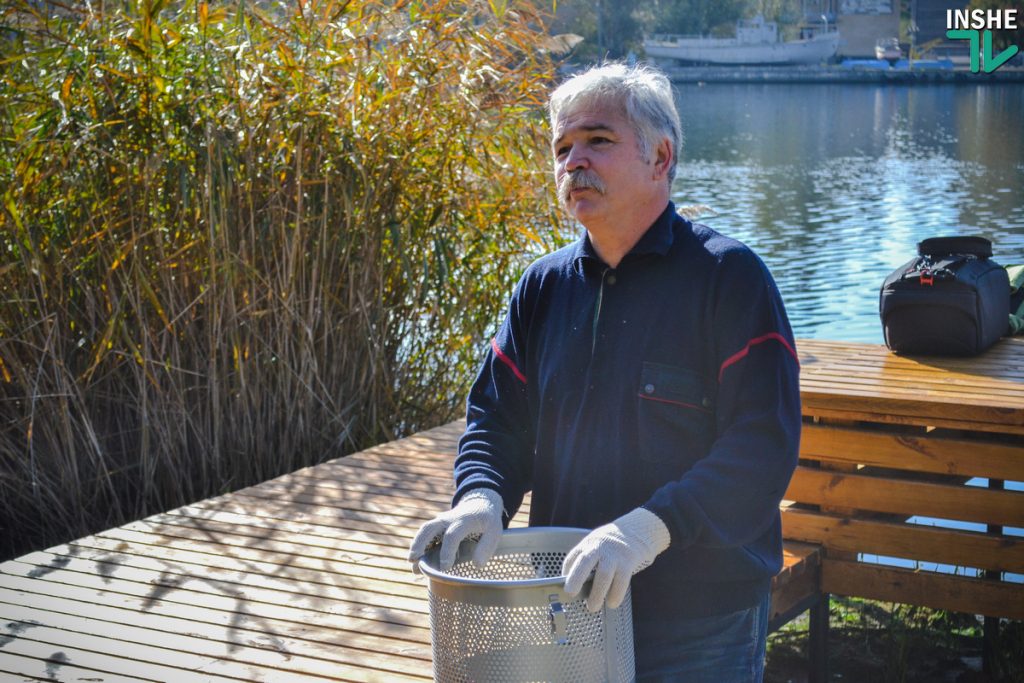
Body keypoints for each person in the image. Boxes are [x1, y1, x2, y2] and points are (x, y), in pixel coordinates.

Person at [409, 62, 801, 682]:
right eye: (562, 147)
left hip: (699, 620)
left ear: (661, 155)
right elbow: (496, 421)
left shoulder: (731, 279)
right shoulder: (540, 286)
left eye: (598, 140)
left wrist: (648, 531)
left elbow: (762, 446)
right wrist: (481, 499)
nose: (573, 162)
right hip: (565, 604)